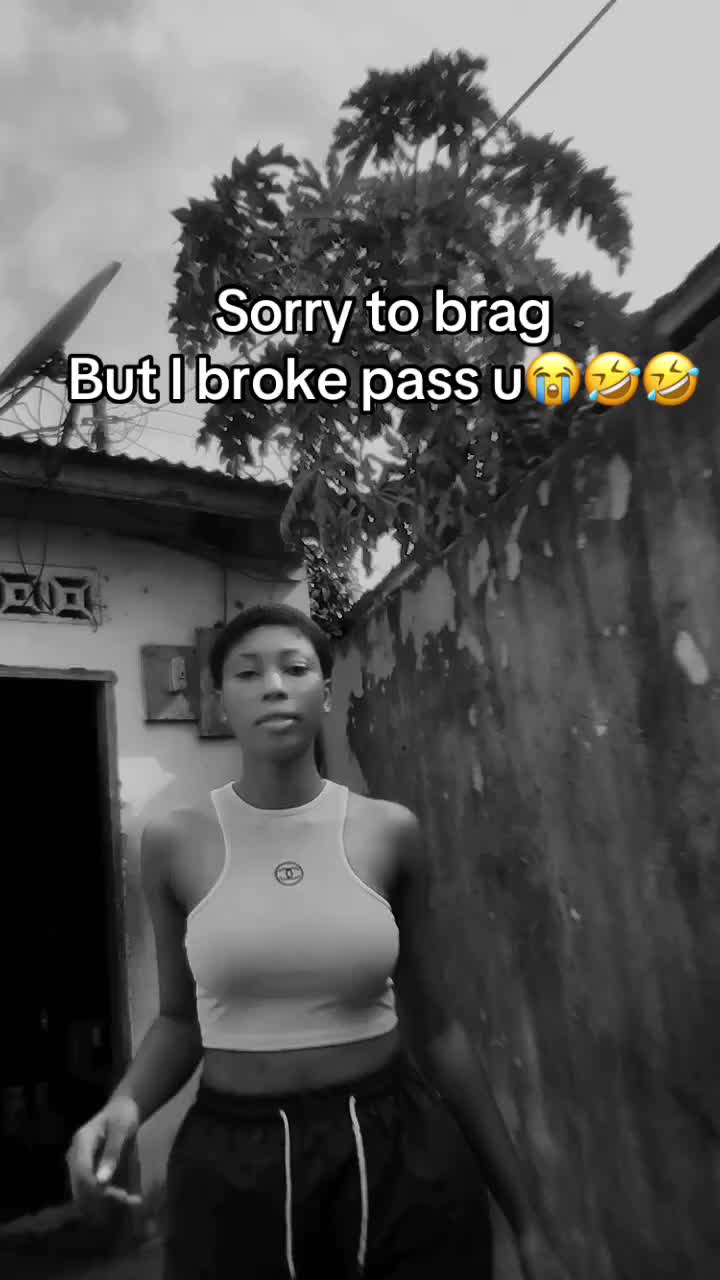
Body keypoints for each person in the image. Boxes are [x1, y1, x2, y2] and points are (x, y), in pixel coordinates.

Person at [67, 603, 566, 1279]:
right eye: (248, 673)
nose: (273, 686)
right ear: (221, 701)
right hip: (233, 1162)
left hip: (396, 1149)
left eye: (295, 668)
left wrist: (529, 1223)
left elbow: (437, 1027)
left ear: (324, 692)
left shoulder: (390, 831)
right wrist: (123, 1105)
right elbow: (181, 1022)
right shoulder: (174, 844)